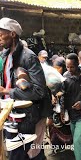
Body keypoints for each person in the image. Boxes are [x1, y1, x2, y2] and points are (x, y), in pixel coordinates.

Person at [0, 17, 51, 159]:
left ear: (12, 34)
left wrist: (7, 91)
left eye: (1, 34)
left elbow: (39, 91)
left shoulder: (28, 57)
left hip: (27, 116)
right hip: (10, 114)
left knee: (24, 154)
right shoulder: (4, 56)